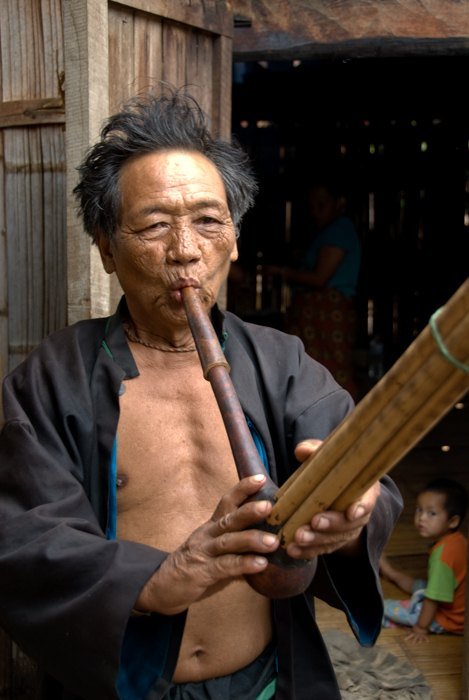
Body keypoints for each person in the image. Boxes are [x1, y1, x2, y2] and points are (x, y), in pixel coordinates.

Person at [0, 87, 402, 700]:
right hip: (128, 689)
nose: (185, 252)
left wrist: (348, 516)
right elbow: (21, 539)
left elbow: (366, 479)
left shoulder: (280, 362)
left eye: (208, 223)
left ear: (234, 241)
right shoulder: (54, 379)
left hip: (266, 683)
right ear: (107, 248)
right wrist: (163, 578)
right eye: (155, 226)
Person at [264, 177, 361, 398]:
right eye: (312, 206)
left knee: (331, 369)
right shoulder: (327, 233)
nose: (316, 211)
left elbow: (320, 278)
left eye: (322, 204)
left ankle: (347, 425)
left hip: (327, 313)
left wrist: (282, 272)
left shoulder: (340, 230)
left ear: (339, 203)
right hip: (318, 314)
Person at [380, 478, 467, 643]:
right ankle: (389, 572)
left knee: (382, 607)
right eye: (419, 510)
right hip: (450, 599)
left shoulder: (444, 556)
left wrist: (421, 627)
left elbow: (433, 599)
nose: (421, 518)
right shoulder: (457, 540)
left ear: (453, 521)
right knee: (420, 585)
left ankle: (393, 614)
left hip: (449, 618)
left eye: (431, 513)